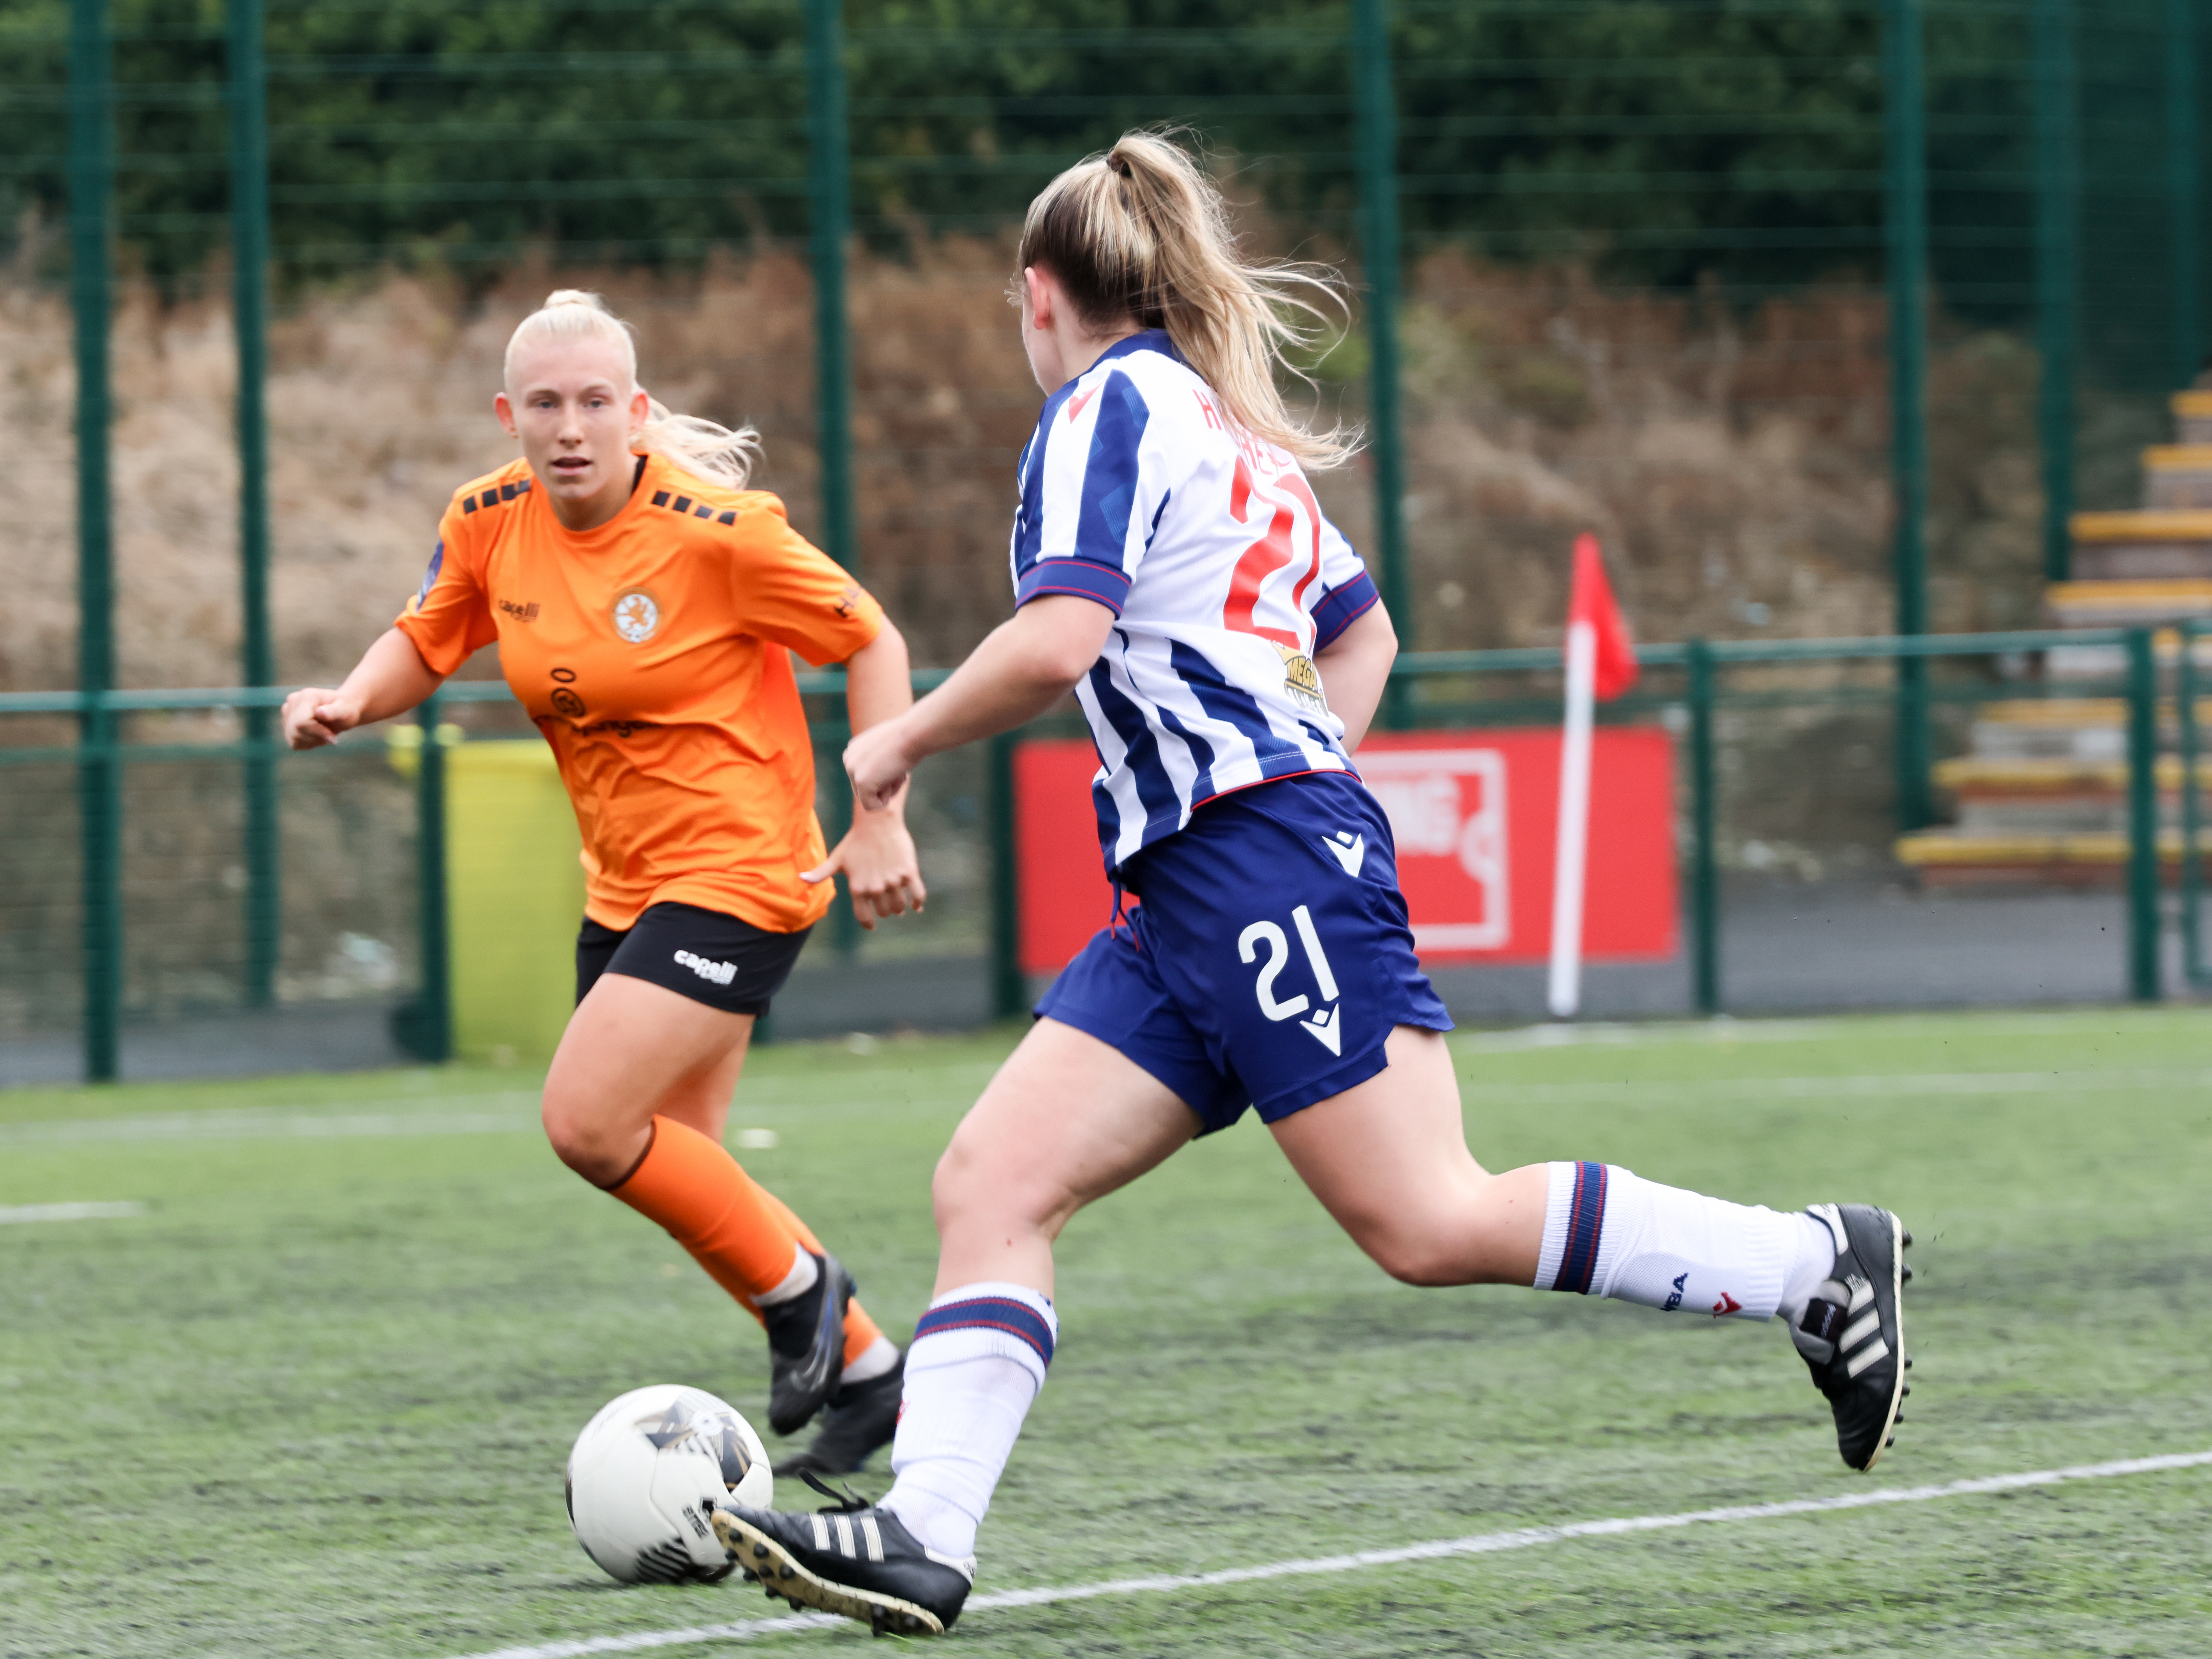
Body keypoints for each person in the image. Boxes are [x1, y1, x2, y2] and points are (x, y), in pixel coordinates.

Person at [711, 134, 1911, 1637]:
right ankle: (922, 1535)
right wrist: (1288, 772)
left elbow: (1057, 639)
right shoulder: (1221, 428)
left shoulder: (1105, 406)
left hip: (1254, 862)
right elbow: (1367, 636)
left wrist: (886, 743)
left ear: (1037, 293)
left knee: (1427, 1218)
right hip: (1195, 884)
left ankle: (1813, 1262)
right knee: (991, 1182)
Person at [283, 291, 917, 1476]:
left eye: (592, 403)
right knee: (688, 1169)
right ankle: (876, 1374)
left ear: (634, 413)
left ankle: (809, 1298)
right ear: (508, 415)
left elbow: (870, 639)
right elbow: (427, 637)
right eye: (544, 405)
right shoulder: (486, 521)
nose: (569, 428)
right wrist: (349, 702)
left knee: (585, 1123)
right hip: (625, 887)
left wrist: (879, 812)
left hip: (741, 871)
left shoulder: (718, 533)